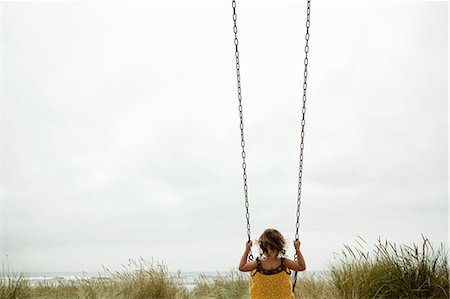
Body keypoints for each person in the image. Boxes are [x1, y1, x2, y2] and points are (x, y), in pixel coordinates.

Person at [238, 228, 306, 299]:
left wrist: (247, 250)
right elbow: (301, 267)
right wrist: (297, 249)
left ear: (262, 246)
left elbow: (242, 267)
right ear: (281, 245)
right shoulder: (284, 262)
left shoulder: (258, 263)